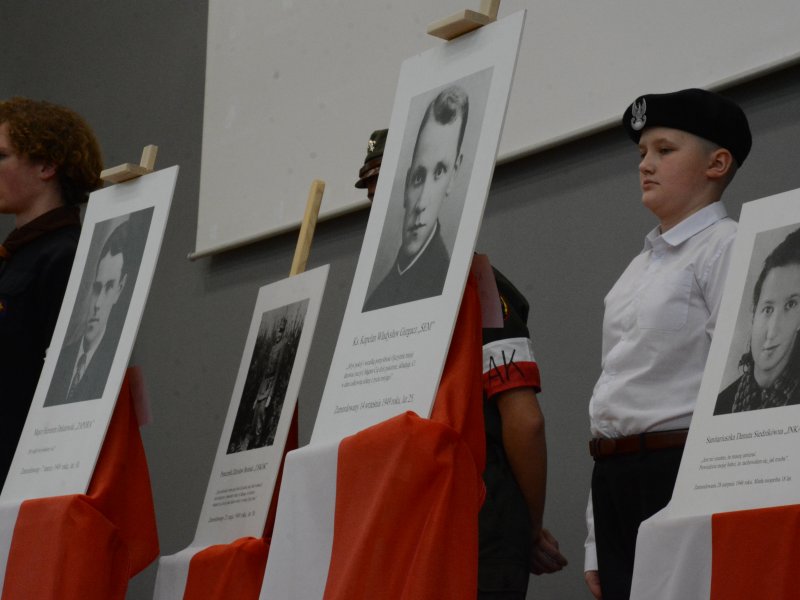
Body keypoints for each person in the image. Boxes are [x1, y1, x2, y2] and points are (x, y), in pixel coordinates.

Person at [356, 129, 566, 599]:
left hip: (472, 527)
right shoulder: (385, 300)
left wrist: (527, 526)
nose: (382, 214)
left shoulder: (481, 290)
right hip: (416, 525)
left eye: (390, 194)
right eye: (372, 201)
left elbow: (524, 419)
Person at [584, 88, 752, 600]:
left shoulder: (727, 247)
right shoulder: (638, 268)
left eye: (665, 150)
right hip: (615, 475)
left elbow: (737, 381)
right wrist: (595, 536)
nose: (646, 164)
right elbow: (614, 397)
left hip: (678, 470)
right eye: (642, 153)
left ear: (717, 163)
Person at [0, 97, 102, 484]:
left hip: (29, 472)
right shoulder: (15, 257)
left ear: (46, 165)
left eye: (1, 156)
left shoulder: (68, 255)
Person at [363, 86, 467, 312]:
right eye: (373, 201)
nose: (420, 204)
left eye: (438, 173)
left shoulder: (456, 286)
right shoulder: (373, 302)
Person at [715, 227, 800, 414]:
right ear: (754, 313)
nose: (772, 331)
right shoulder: (720, 404)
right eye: (768, 309)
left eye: (790, 305)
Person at [47, 220, 129, 405]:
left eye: (109, 287)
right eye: (97, 288)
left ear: (120, 288)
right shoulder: (60, 360)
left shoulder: (115, 363)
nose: (97, 304)